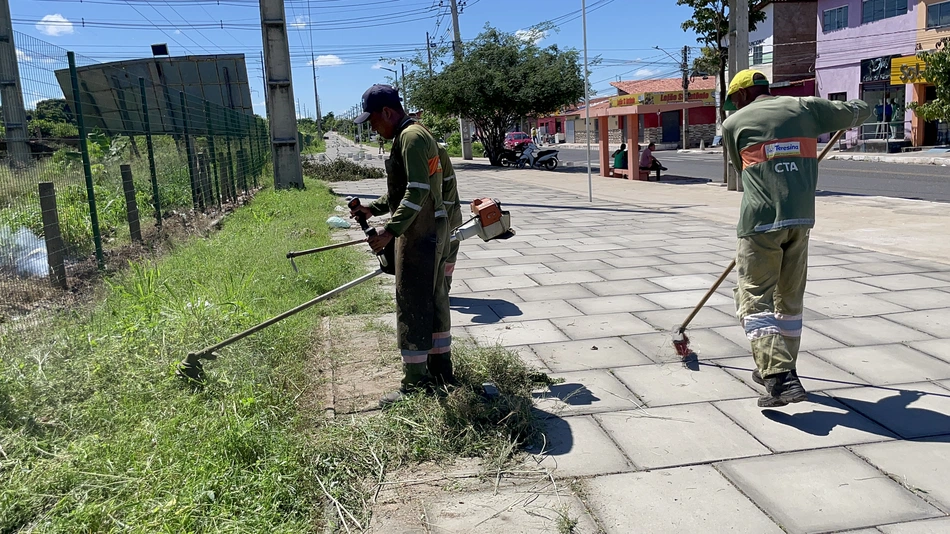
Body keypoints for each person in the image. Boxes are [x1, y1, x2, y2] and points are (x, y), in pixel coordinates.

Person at [721, 69, 870, 408]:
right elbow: (863, 109)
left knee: (754, 299)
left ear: (741, 96)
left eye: (734, 101)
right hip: (801, 219)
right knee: (788, 301)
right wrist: (846, 117)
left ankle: (779, 377)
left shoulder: (734, 125)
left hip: (759, 222)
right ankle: (778, 365)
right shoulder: (806, 107)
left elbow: (740, 171)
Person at [349, 84, 451, 406]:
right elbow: (406, 191)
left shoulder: (410, 138)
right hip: (428, 227)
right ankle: (441, 371)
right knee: (433, 301)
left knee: (412, 301)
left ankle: (416, 383)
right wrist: (372, 209)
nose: (373, 129)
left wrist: (390, 231)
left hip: (421, 233)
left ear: (388, 113)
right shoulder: (413, 136)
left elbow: (418, 191)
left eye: (373, 122)